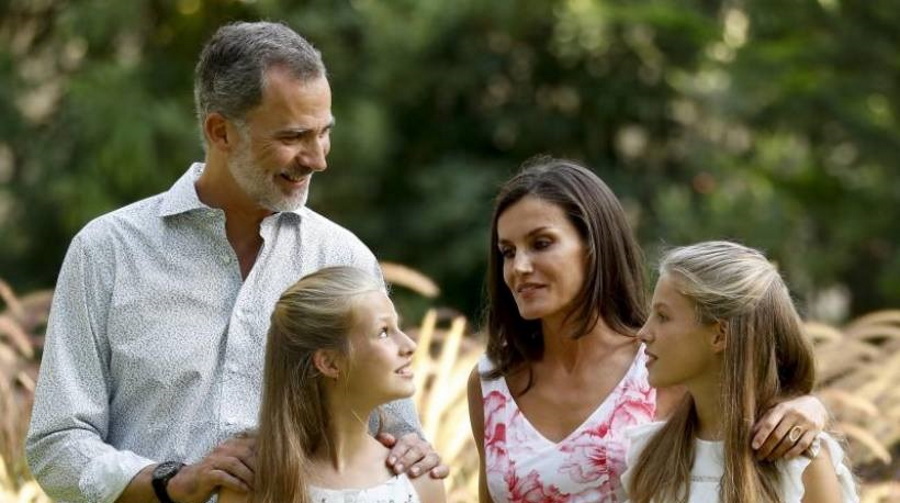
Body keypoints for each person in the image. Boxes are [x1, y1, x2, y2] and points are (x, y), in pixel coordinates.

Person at [26, 21, 444, 503]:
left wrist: (411, 450)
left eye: (324, 133)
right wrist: (173, 482)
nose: (317, 159)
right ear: (220, 131)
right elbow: (57, 445)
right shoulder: (107, 252)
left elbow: (393, 429)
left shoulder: (344, 257)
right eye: (294, 136)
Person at [467, 157, 829, 502]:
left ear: (594, 246)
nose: (519, 267)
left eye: (541, 244)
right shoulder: (492, 382)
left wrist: (810, 407)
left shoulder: (663, 365)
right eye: (507, 252)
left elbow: (746, 404)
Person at [622, 241, 858, 502]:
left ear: (720, 335)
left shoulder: (801, 464)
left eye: (663, 317)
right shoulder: (648, 456)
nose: (643, 333)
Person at [216, 266, 445, 503]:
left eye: (398, 327)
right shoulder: (249, 487)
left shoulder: (420, 481)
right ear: (329, 362)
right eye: (384, 332)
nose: (409, 345)